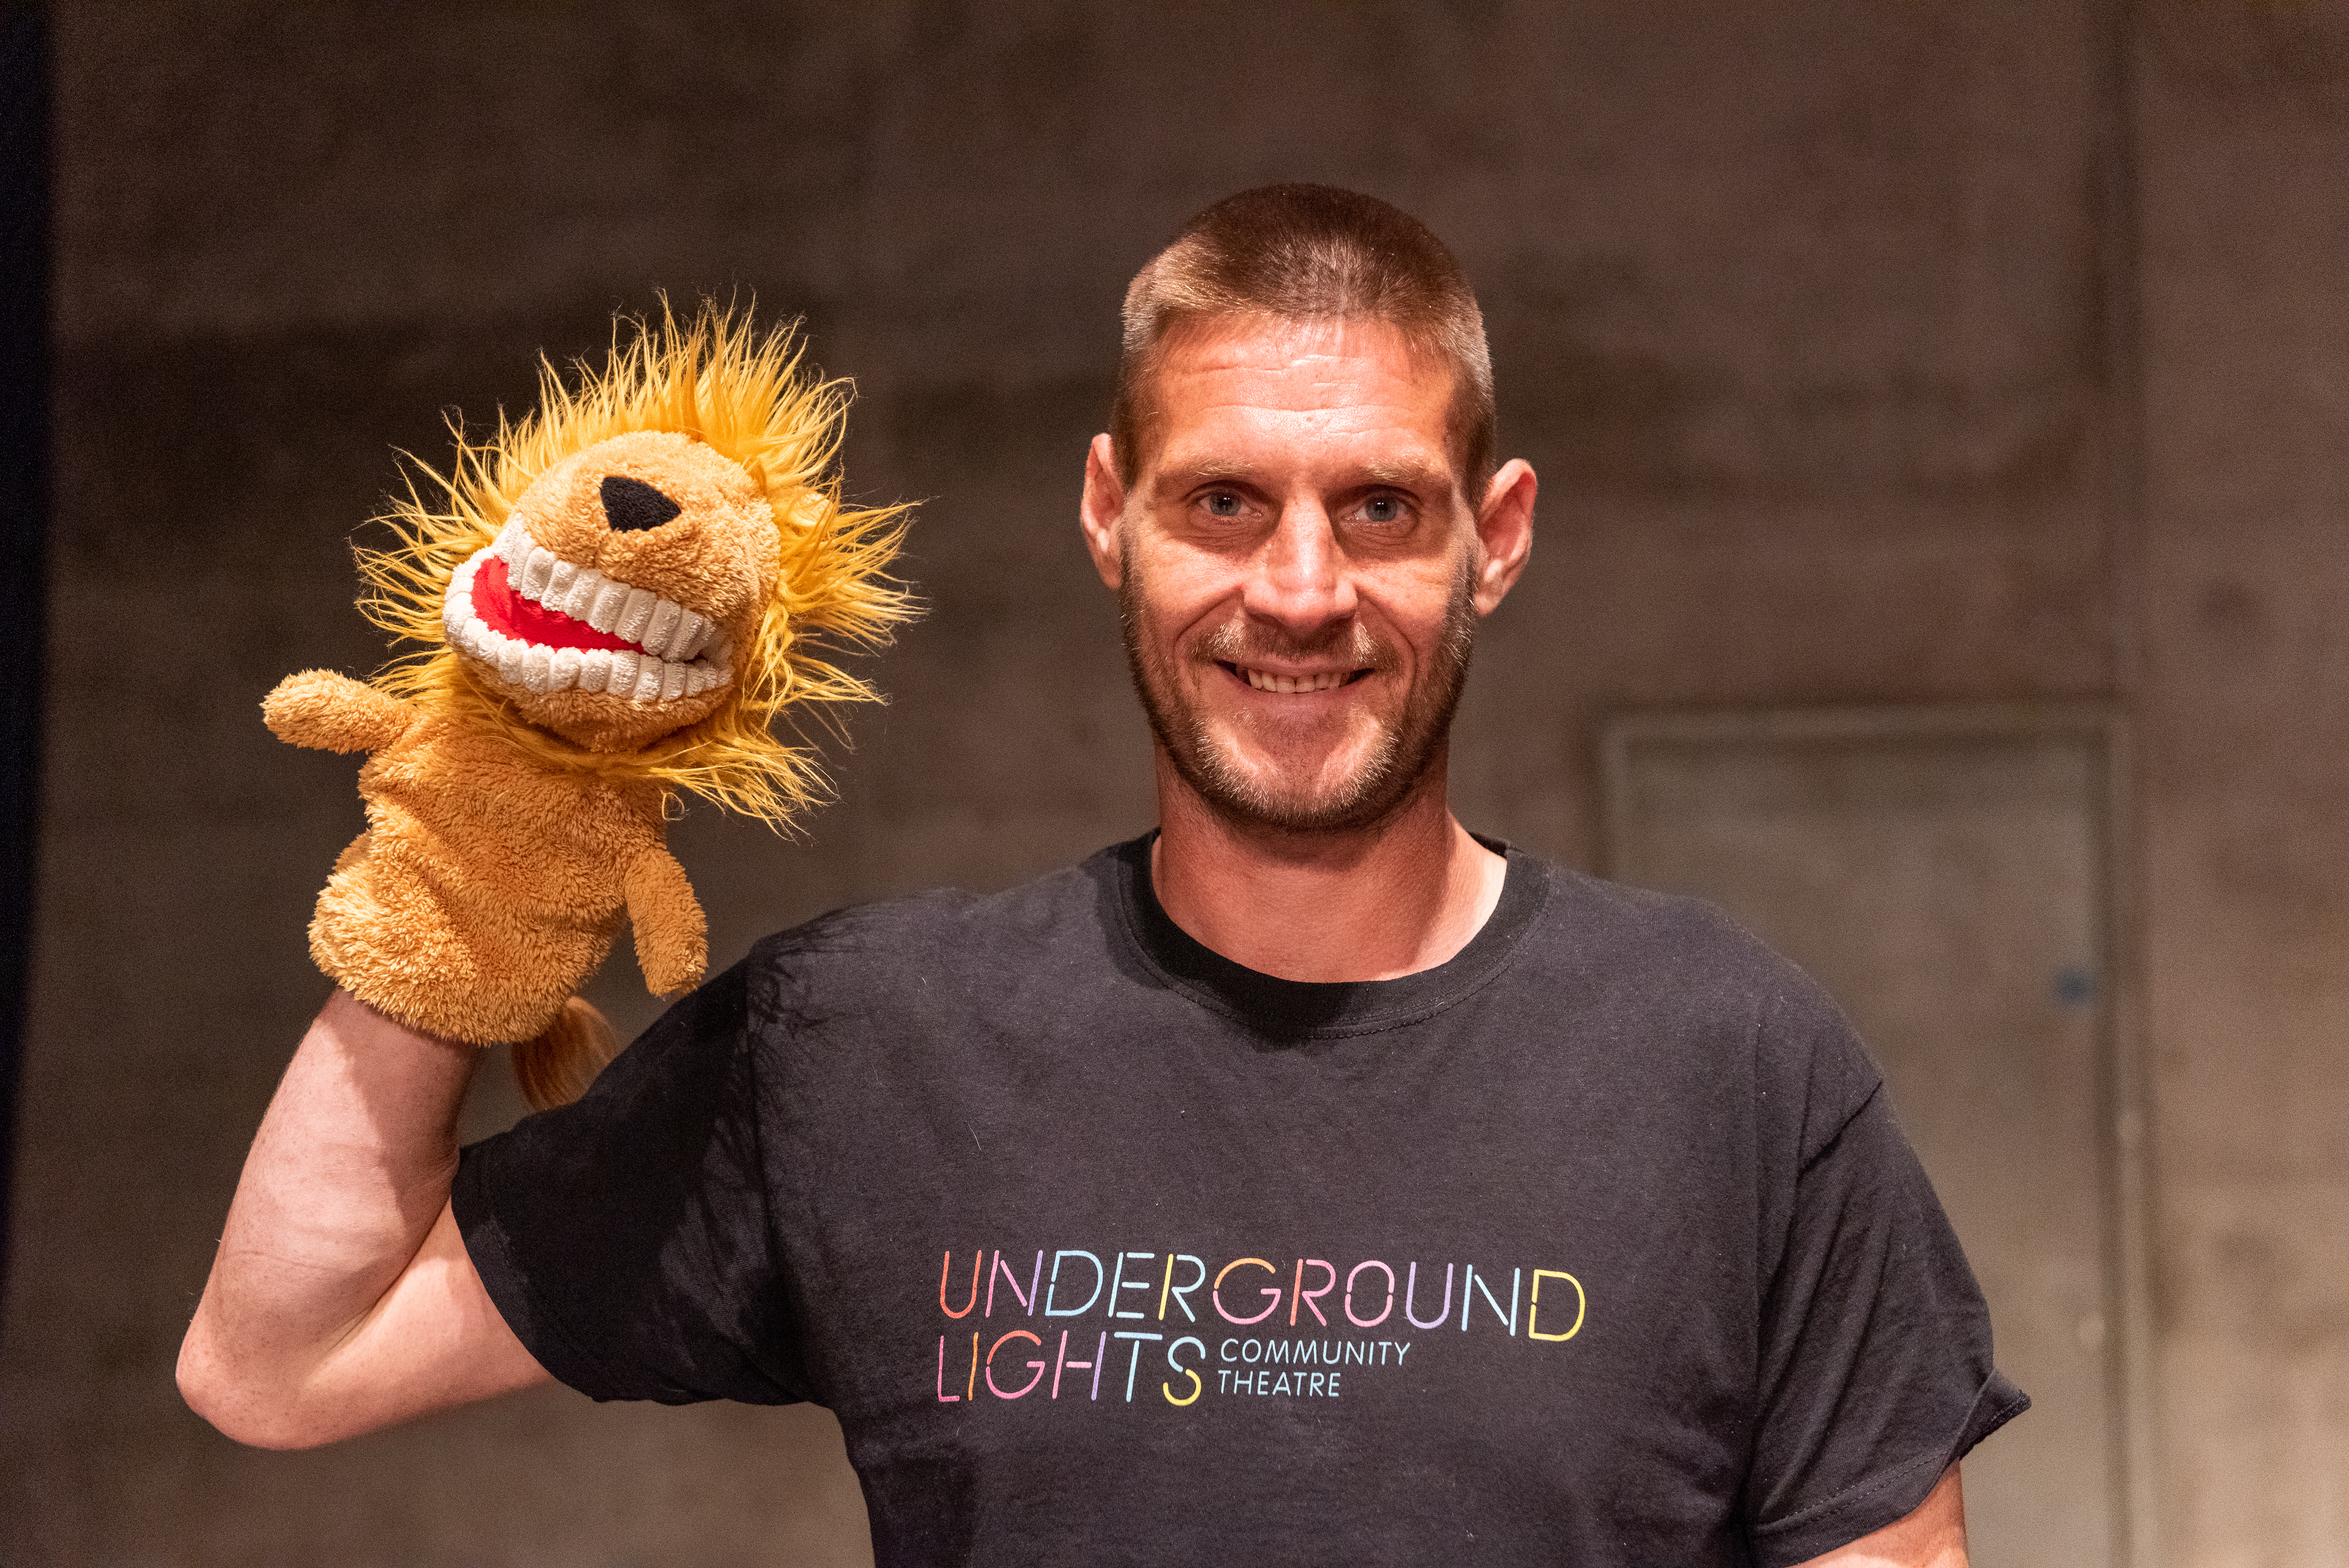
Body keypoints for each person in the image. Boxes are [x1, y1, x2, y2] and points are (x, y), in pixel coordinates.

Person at [179, 184, 2024, 1566]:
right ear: (1106, 516)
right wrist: (463, 892)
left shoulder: (1723, 1057)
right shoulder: (872, 1042)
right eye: (1224, 501)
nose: (1300, 590)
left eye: (1378, 507)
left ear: (1497, 538)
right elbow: (286, 1357)